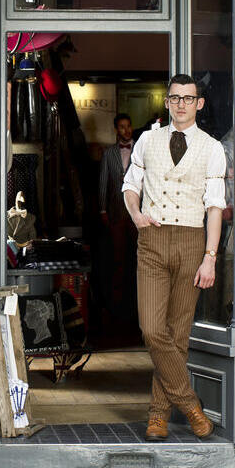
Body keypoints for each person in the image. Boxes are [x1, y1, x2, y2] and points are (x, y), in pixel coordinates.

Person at [122, 74, 225, 441]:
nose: (181, 104)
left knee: (178, 335)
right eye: (175, 98)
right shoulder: (147, 140)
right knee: (152, 329)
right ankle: (191, 406)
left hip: (192, 242)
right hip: (152, 240)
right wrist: (136, 216)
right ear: (167, 102)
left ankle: (158, 416)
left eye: (188, 98)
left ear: (199, 104)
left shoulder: (212, 148)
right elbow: (130, 186)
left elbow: (215, 208)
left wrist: (210, 257)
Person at [98, 113, 139, 333]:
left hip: (138, 213)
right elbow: (103, 182)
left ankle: (137, 305)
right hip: (116, 212)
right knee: (118, 259)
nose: (126, 130)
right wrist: (103, 209)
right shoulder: (109, 154)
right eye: (122, 127)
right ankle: (117, 308)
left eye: (128, 126)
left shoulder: (141, 150)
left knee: (138, 258)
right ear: (116, 130)